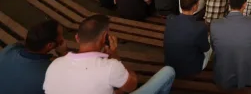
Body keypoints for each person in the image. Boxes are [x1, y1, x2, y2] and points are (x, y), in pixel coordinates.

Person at [43, 14, 176, 94]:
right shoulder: (111, 67)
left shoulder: (54, 65)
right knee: (168, 71)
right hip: (118, 75)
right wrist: (116, 57)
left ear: (77, 38)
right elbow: (131, 86)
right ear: (104, 37)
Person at [209, 0, 251, 90]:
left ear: (229, 3)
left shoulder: (215, 24)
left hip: (223, 76)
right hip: (249, 75)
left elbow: (214, 48)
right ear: (244, 5)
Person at [0, 20, 67, 94]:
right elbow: (69, 77)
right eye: (62, 36)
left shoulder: (9, 50)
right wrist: (63, 54)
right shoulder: (49, 73)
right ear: (50, 45)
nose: (63, 39)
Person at [164, 0, 211, 78]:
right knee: (210, 42)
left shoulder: (170, 19)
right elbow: (206, 48)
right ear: (194, 7)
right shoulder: (200, 27)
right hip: (190, 69)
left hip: (170, 64)